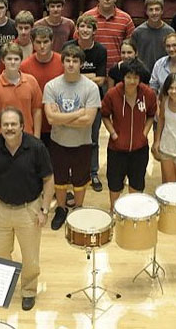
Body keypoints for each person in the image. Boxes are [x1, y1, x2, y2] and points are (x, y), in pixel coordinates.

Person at [0, 107, 55, 311]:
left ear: (22, 126)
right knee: (0, 254)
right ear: (0, 127)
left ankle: (29, 291)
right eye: (5, 124)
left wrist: (45, 210)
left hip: (28, 209)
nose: (9, 128)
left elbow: (48, 180)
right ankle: (4, 286)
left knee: (30, 258)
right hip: (0, 207)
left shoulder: (37, 147)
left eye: (14, 124)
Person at [43, 45, 101, 230]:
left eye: (75, 61)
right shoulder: (51, 86)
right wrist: (78, 113)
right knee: (59, 180)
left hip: (81, 143)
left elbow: (88, 121)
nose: (71, 64)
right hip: (58, 142)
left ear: (81, 64)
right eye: (67, 60)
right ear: (62, 63)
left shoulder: (90, 88)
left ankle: (78, 209)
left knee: (80, 180)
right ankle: (61, 209)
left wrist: (62, 118)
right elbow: (51, 118)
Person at [101, 59, 157, 209]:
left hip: (139, 149)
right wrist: (113, 134)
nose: (132, 81)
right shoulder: (112, 94)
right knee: (114, 184)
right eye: (128, 77)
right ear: (123, 77)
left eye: (136, 77)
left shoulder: (148, 94)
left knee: (137, 182)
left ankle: (133, 210)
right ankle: (114, 210)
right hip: (117, 149)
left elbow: (151, 114)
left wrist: (145, 133)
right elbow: (105, 115)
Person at [63, 15, 107, 191]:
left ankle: (93, 172)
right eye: (82, 26)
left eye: (89, 27)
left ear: (94, 31)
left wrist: (78, 77)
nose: (85, 30)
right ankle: (71, 173)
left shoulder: (100, 50)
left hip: (92, 99)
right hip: (70, 97)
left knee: (93, 138)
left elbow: (101, 80)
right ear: (77, 29)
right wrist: (90, 77)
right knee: (70, 136)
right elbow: (66, 73)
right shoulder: (68, 47)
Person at [0, 42, 43, 138]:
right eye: (9, 59)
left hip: (27, 137)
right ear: (3, 60)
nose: (12, 62)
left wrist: (36, 137)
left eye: (16, 59)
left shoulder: (31, 81)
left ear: (21, 60)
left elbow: (37, 110)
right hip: (3, 139)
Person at [20, 26, 64, 146]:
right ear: (32, 43)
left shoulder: (63, 63)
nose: (42, 46)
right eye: (38, 42)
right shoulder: (24, 66)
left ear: (52, 42)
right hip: (34, 124)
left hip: (58, 124)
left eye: (46, 42)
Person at [81, 0, 135, 70]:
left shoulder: (125, 19)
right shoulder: (87, 17)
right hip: (91, 69)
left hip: (117, 71)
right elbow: (78, 41)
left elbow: (132, 45)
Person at [131, 0, 175, 72]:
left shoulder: (170, 32)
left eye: (157, 9)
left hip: (164, 73)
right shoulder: (138, 32)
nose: (154, 13)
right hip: (142, 74)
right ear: (146, 12)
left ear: (162, 11)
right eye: (151, 10)